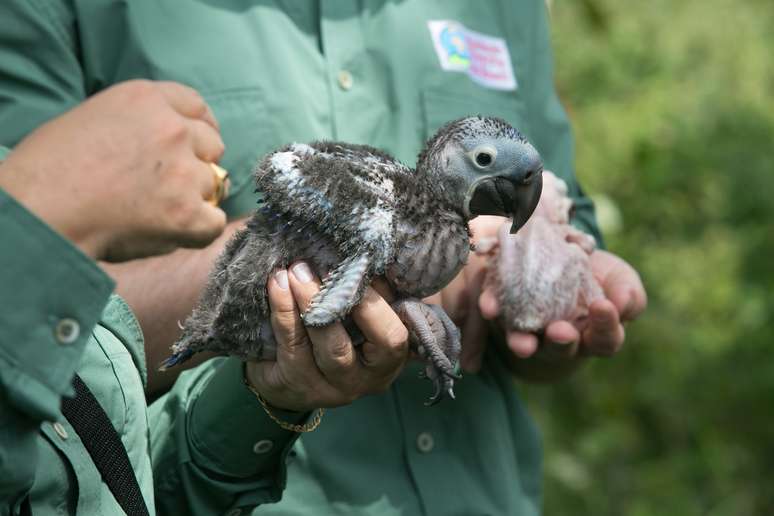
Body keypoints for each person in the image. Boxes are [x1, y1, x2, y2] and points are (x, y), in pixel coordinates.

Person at [0, 2, 646, 515]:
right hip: (222, 485)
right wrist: (392, 264)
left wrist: (551, 296)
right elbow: (24, 294)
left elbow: (555, 215)